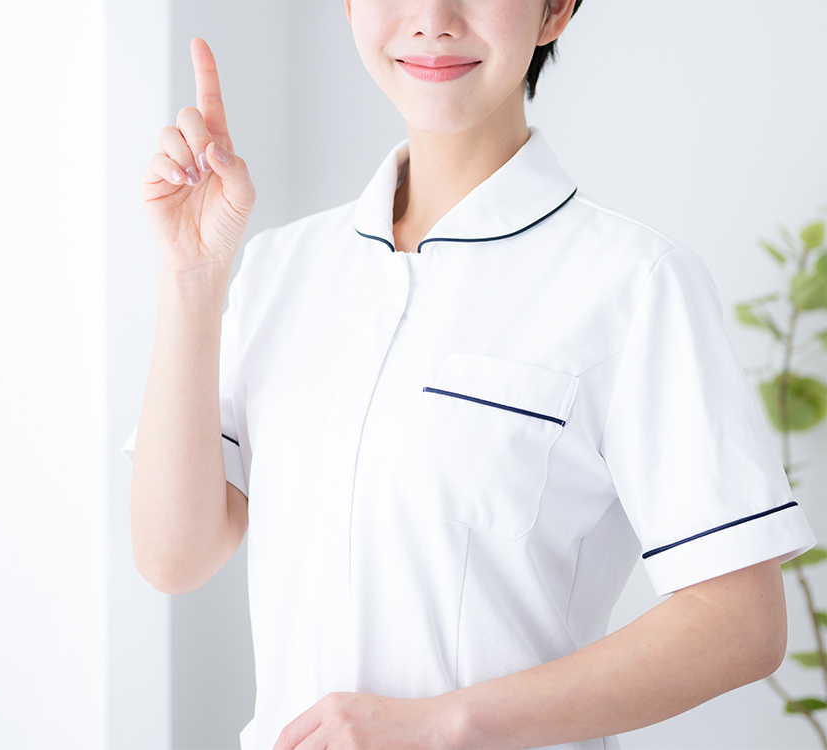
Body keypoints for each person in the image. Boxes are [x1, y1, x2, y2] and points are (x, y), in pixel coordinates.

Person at [122, 1, 818, 748]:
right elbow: (174, 556)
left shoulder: (636, 284)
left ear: (555, 11)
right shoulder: (278, 268)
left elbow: (740, 623)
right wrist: (192, 276)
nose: (433, 18)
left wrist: (444, 724)